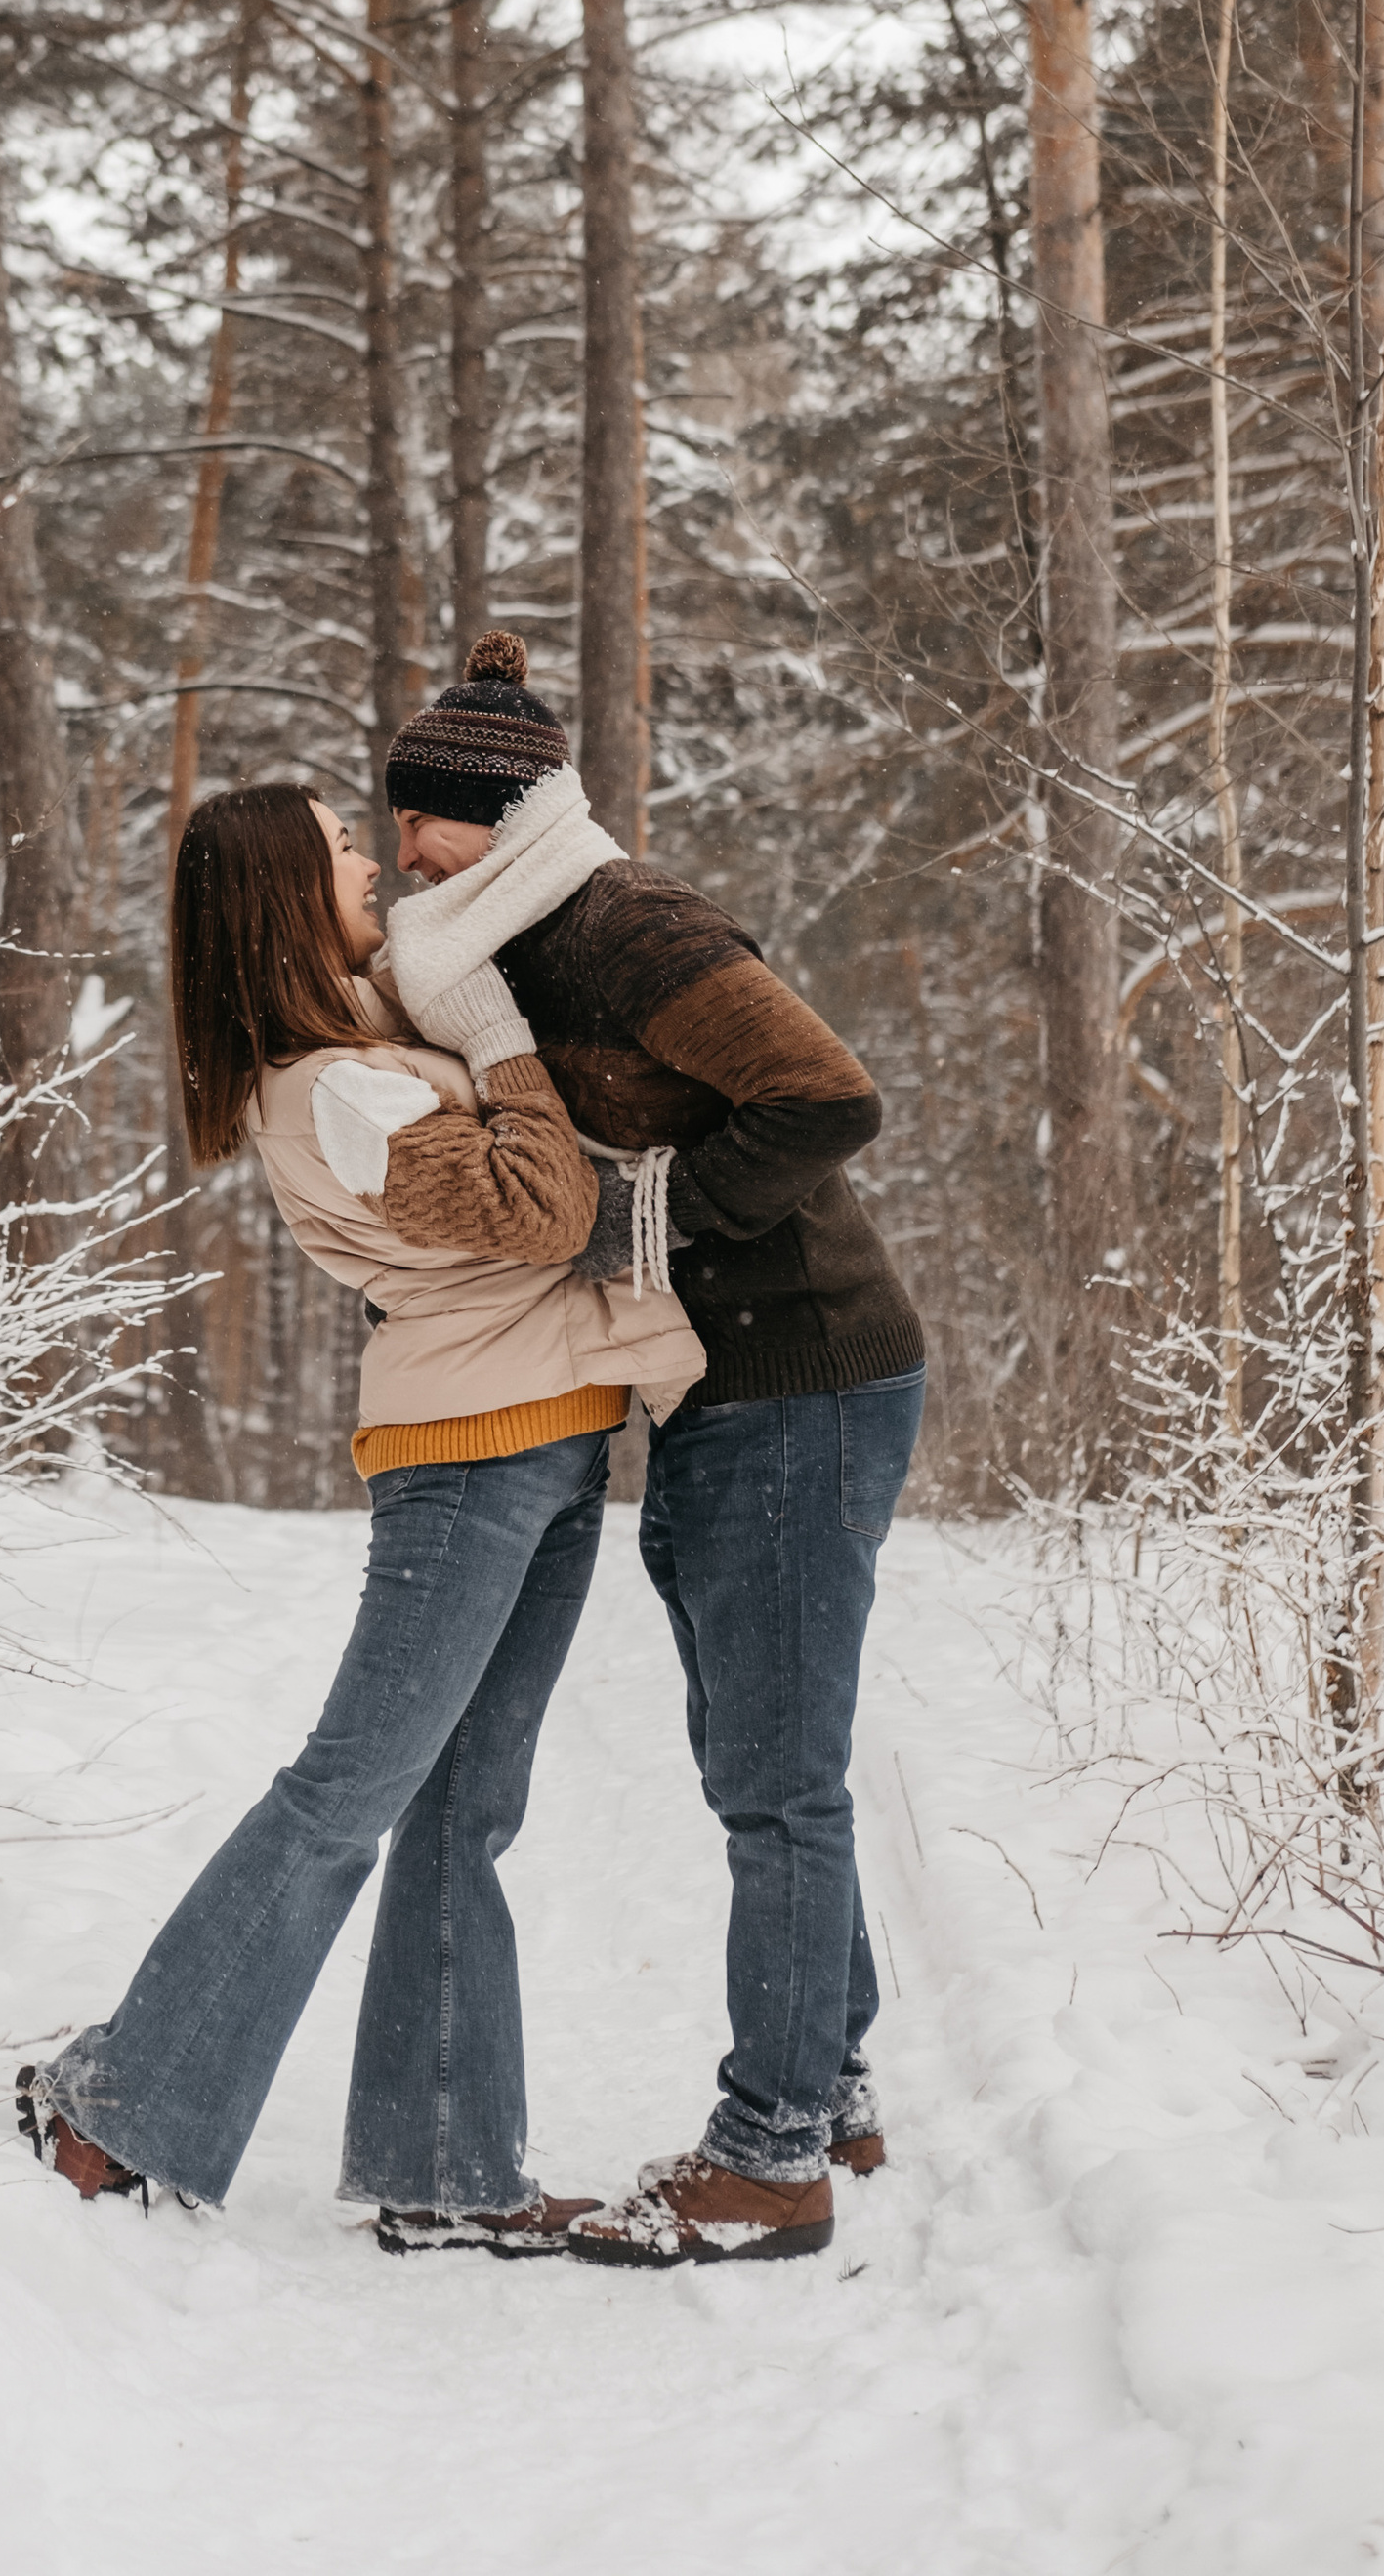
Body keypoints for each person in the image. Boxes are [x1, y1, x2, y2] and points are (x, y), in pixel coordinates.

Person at [19, 780, 700, 2248]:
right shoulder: (339, 1086)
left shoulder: (372, 1042)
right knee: (349, 1794)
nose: (371, 867)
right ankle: (117, 2105)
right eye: (340, 849)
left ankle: (444, 2166)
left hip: (551, 1435)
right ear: (281, 897)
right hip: (468, 1456)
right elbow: (544, 1209)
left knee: (463, 1808)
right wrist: (510, 1043)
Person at [381, 634, 926, 2267]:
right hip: (728, 1389)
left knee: (776, 1783)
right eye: (397, 824)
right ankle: (826, 2088)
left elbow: (829, 1095)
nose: (405, 849)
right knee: (752, 1757)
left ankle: (769, 2160)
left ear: (504, 816)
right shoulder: (508, 951)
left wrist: (633, 1221)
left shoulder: (628, 923)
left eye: (429, 825)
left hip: (801, 1377)